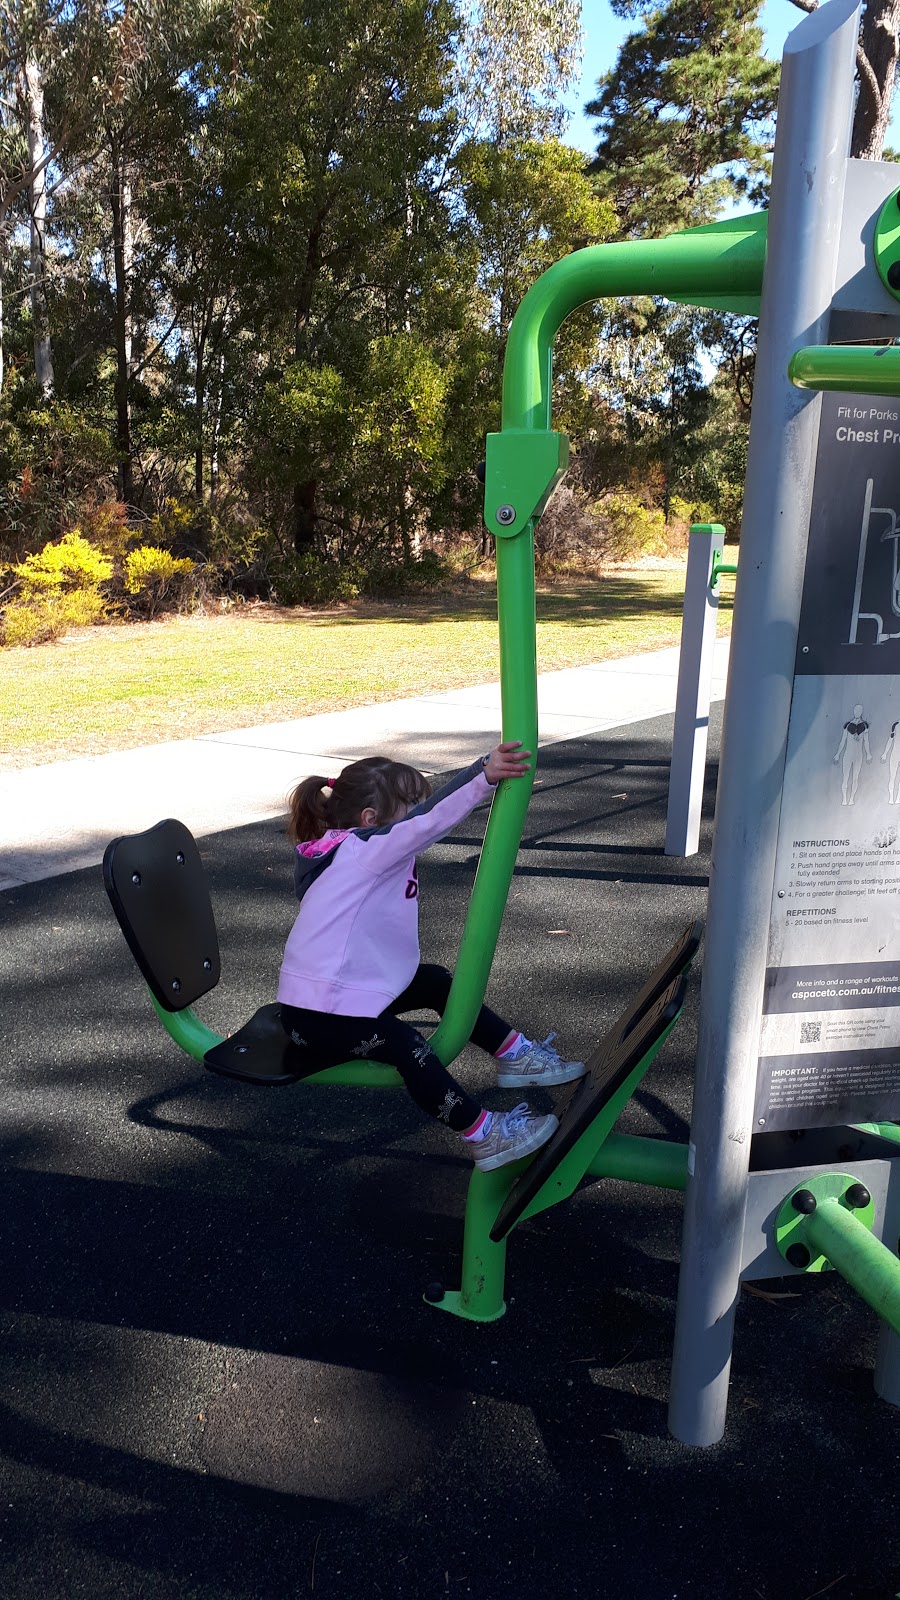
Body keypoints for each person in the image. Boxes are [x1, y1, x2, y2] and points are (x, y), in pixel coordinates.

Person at [277, 742, 585, 1171]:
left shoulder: (340, 852)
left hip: (335, 997)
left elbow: (418, 822)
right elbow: (429, 821)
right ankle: (482, 1135)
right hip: (317, 1017)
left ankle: (515, 1053)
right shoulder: (365, 851)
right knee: (407, 1045)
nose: (419, 811)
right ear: (371, 820)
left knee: (436, 982)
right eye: (410, 805)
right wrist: (484, 774)